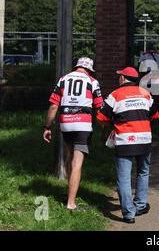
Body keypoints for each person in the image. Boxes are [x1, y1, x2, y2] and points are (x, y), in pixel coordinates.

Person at [96, 67, 159, 224]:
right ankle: (140, 205)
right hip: (144, 139)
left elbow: (100, 117)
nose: (118, 78)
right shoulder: (145, 93)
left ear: (123, 79)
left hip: (125, 140)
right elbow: (156, 115)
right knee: (143, 172)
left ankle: (128, 214)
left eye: (120, 76)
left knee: (124, 177)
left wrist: (111, 124)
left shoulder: (115, 95)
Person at [43, 57, 103, 211]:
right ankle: (71, 203)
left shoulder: (63, 79)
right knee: (77, 163)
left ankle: (70, 192)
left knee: (70, 157)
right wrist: (104, 127)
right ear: (89, 69)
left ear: (77, 66)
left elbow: (53, 106)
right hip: (83, 124)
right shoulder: (92, 81)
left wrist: (47, 127)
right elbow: (99, 107)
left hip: (66, 123)